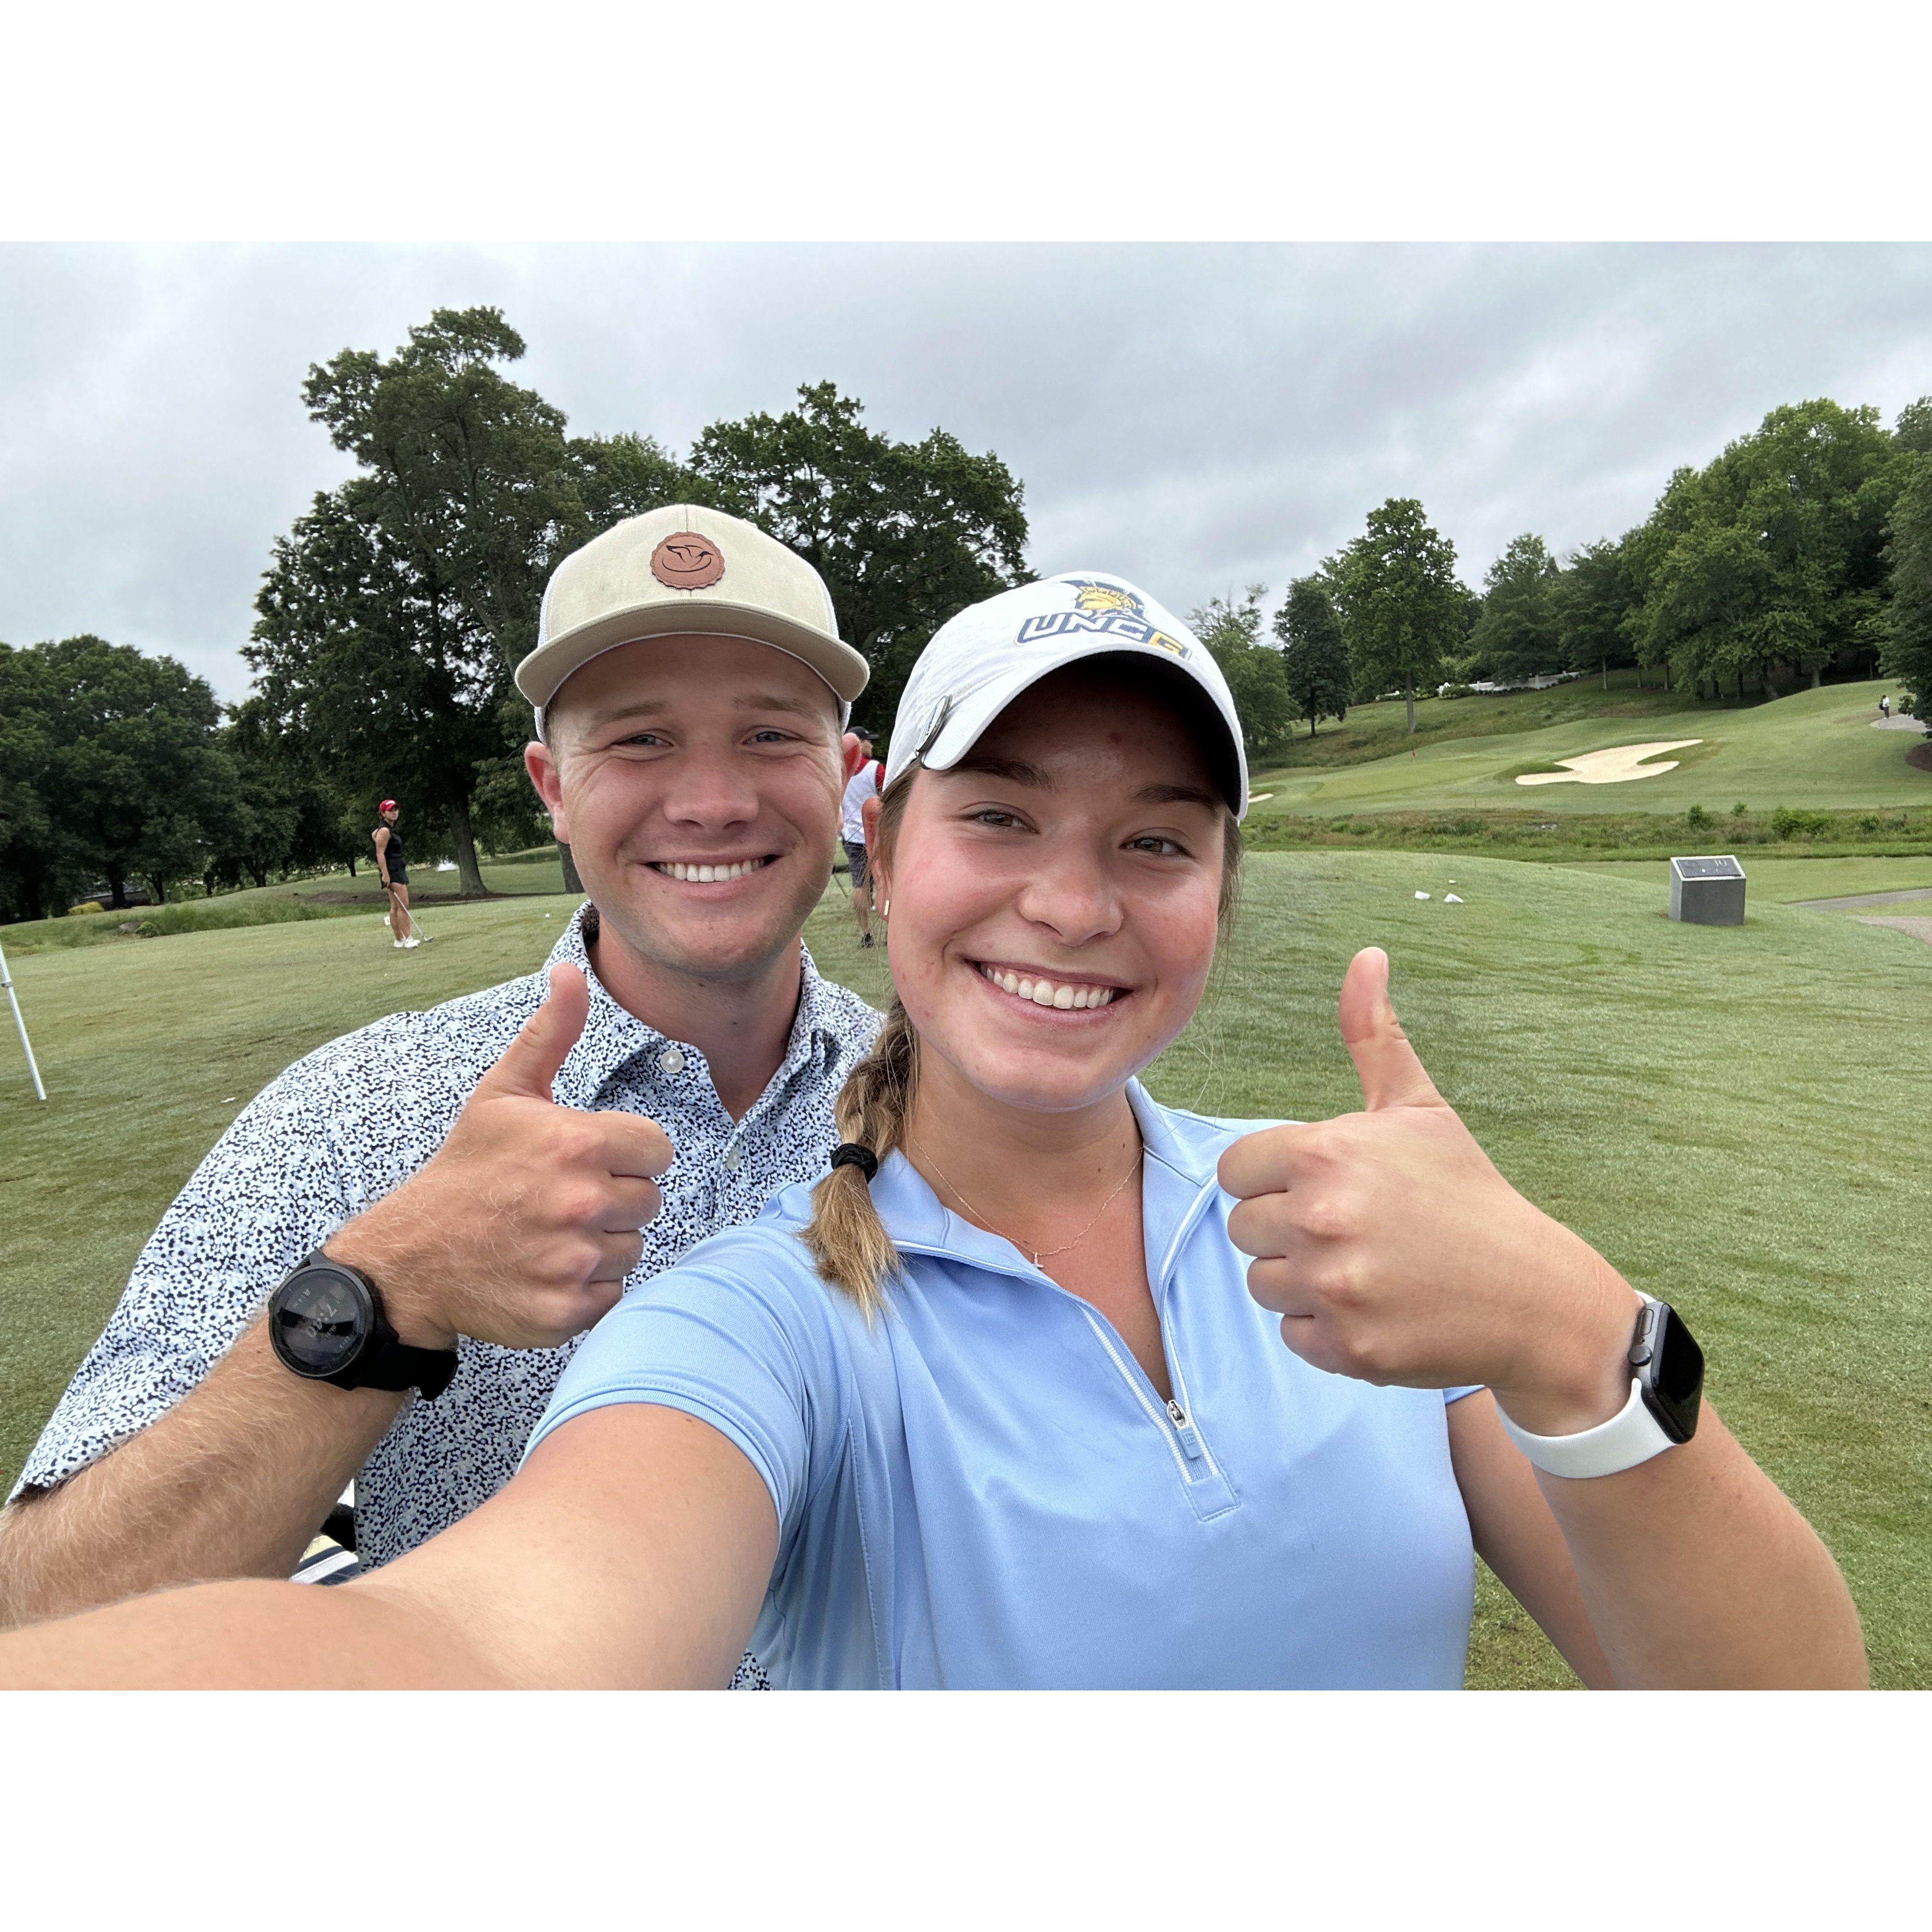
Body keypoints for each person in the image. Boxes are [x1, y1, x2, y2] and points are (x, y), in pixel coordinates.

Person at [0, 571, 1866, 1690]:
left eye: (1157, 837)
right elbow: (475, 1655)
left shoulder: (1356, 1240)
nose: (1074, 902)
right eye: (1007, 820)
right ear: (897, 843)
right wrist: (379, 1298)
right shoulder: (765, 1306)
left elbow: (1777, 1731)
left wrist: (1576, 1337)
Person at [0, 506, 882, 1693]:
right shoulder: (358, 1109)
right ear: (551, 789)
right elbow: (40, 1621)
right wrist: (395, 1284)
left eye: (772, 734)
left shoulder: (943, 1100)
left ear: (846, 771)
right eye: (638, 742)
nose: (713, 801)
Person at [840, 727, 883, 947]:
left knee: (860, 884)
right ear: (860, 744)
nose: (872, 746)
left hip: (852, 836)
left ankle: (867, 934)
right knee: (887, 880)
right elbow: (889, 798)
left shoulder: (840, 771)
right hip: (877, 836)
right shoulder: (876, 768)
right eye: (868, 742)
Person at [372, 799, 420, 948]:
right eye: (390, 810)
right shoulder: (385, 831)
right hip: (392, 869)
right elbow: (380, 853)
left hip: (396, 867)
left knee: (395, 906)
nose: (394, 812)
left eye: (395, 809)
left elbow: (374, 835)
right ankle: (408, 939)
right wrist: (385, 875)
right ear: (383, 813)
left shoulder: (385, 829)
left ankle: (399, 940)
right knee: (403, 905)